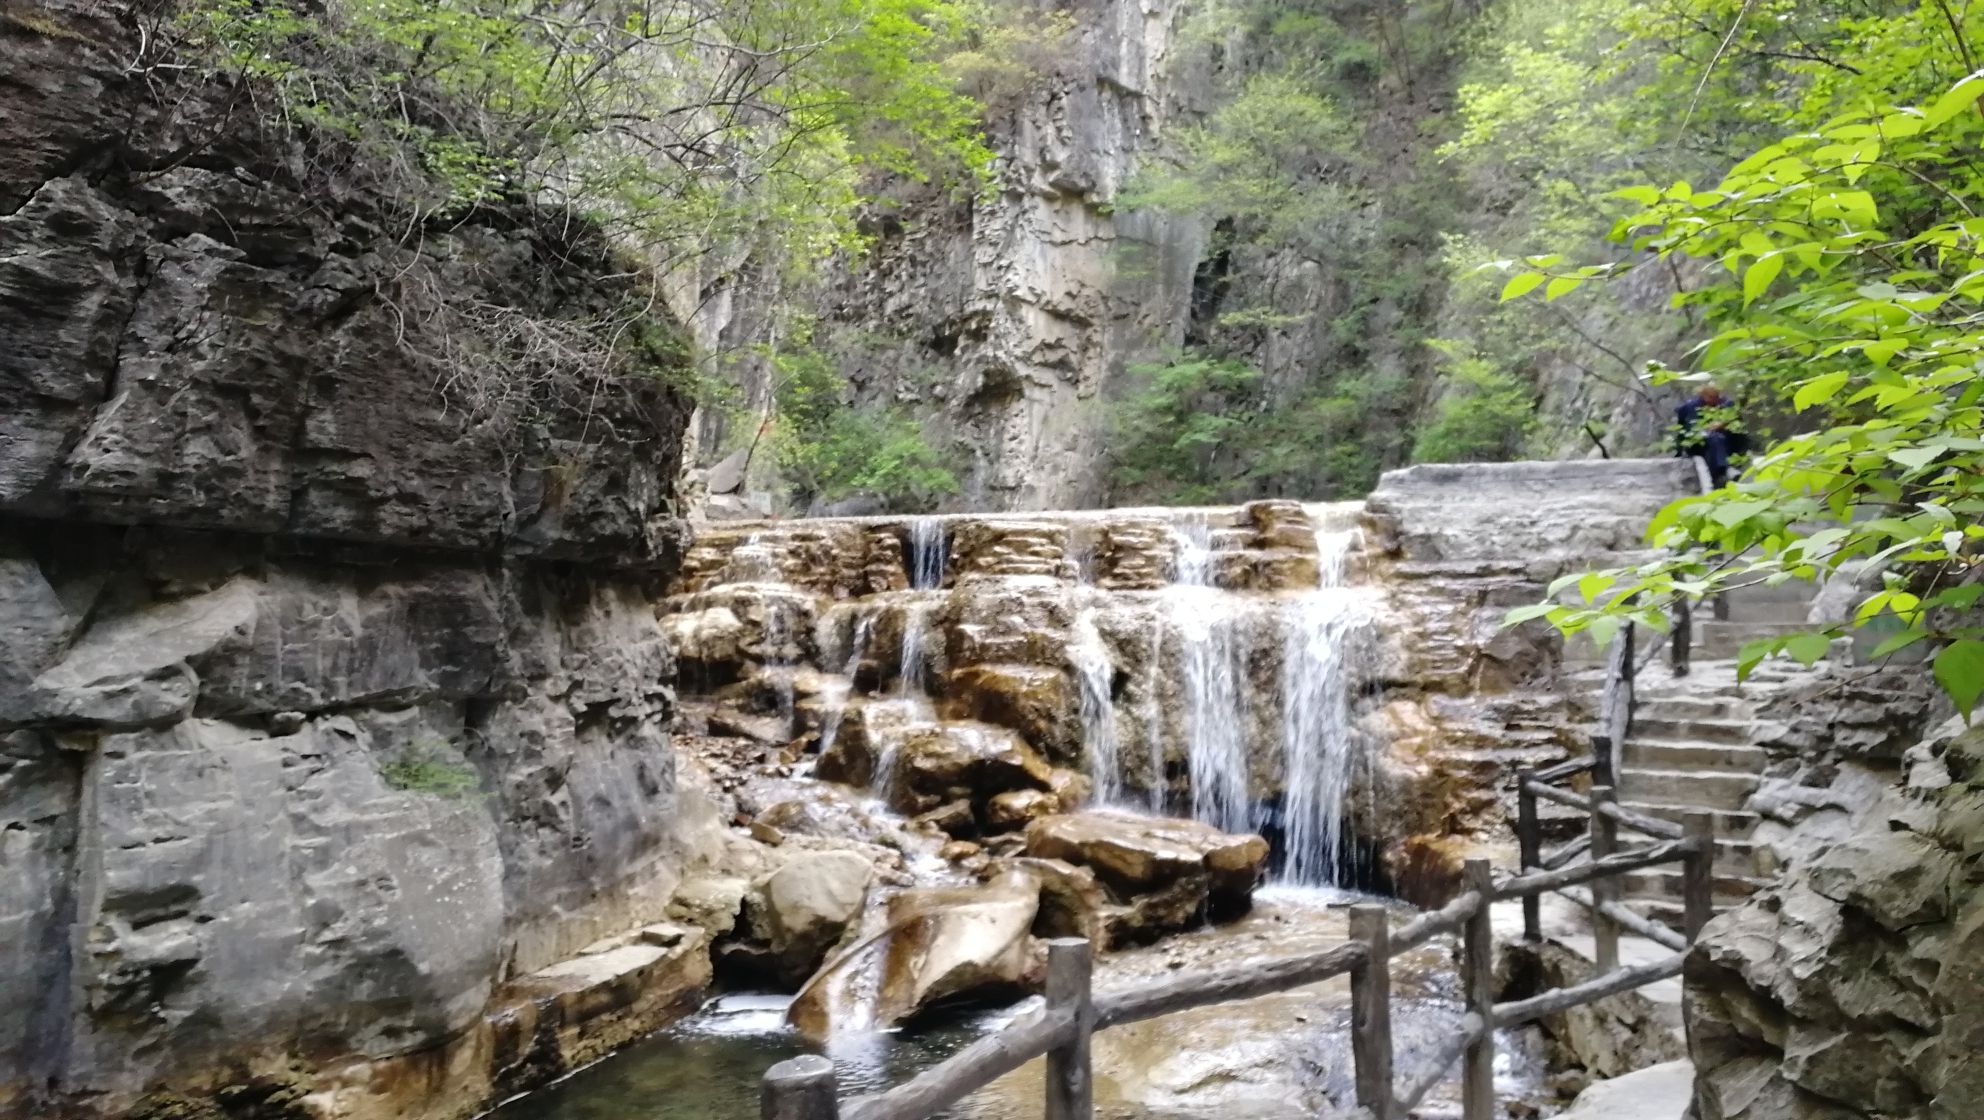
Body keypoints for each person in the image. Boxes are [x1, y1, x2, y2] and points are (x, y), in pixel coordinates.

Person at [1674, 383, 1748, 488]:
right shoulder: (1689, 407)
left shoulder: (1727, 405)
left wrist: (1724, 425)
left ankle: (1726, 468)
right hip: (1699, 444)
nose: (1714, 400)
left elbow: (1739, 427)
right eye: (1711, 397)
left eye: (1716, 396)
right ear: (1702, 395)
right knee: (1714, 437)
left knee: (1718, 437)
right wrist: (1680, 451)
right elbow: (1684, 431)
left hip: (1726, 442)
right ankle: (1726, 468)